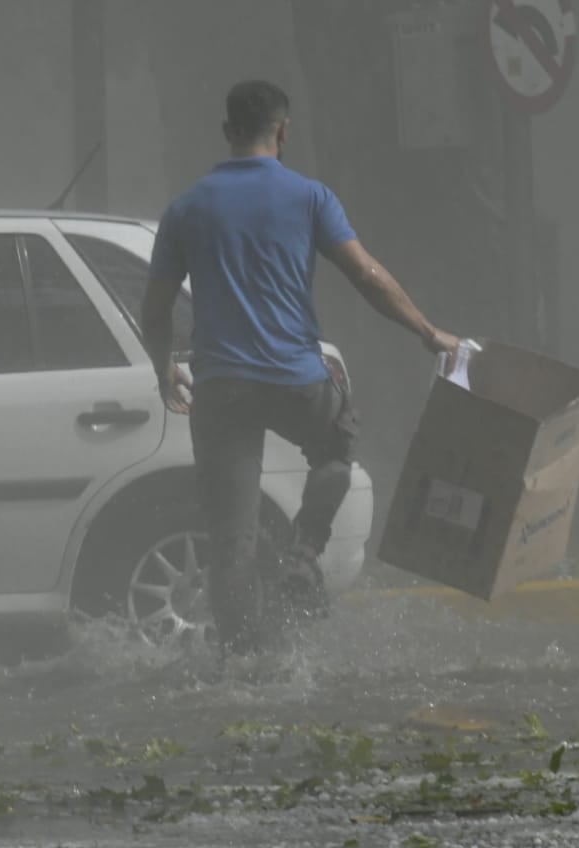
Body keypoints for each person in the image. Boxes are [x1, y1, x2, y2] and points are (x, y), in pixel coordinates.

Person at [140, 79, 460, 657]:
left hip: (221, 390)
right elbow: (366, 276)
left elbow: (155, 308)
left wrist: (164, 369)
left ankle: (243, 666)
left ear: (227, 133)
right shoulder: (311, 197)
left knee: (230, 542)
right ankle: (303, 553)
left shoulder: (186, 208)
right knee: (337, 451)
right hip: (297, 381)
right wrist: (427, 332)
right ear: (283, 132)